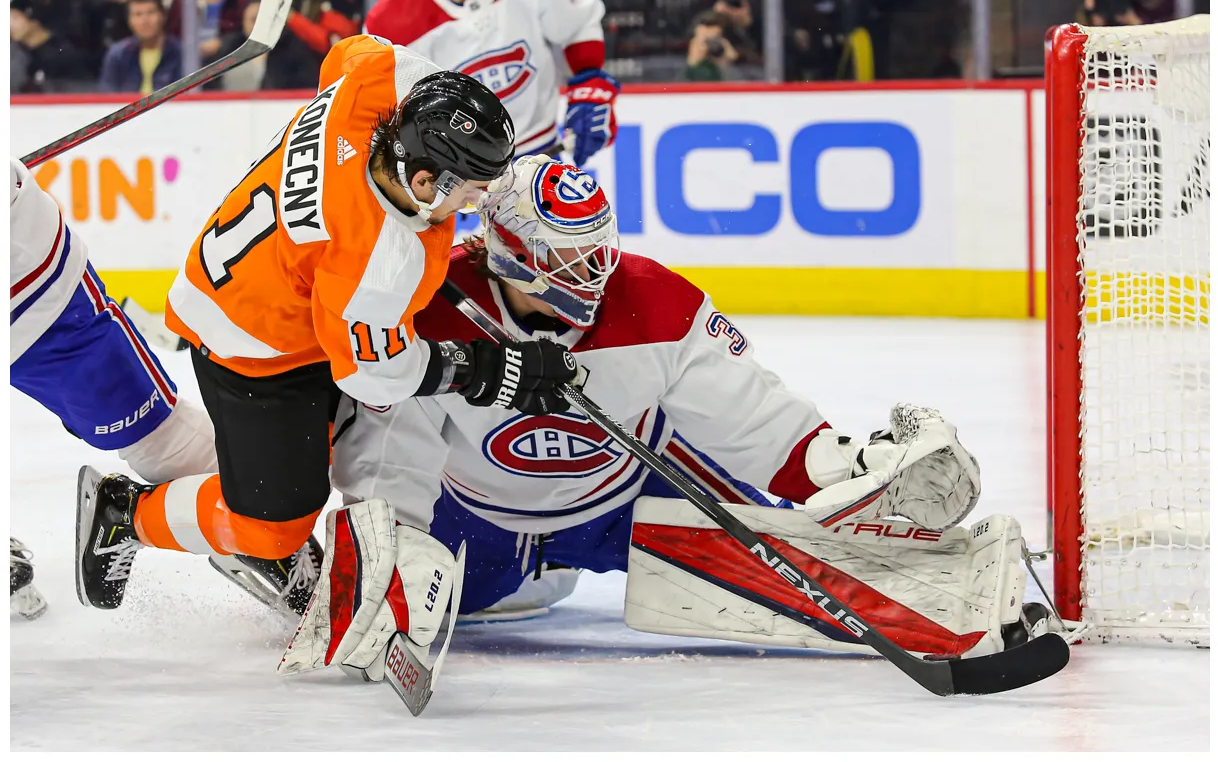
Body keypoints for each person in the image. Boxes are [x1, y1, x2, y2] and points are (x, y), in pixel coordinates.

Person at [274, 155, 1038, 683]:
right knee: (397, 598)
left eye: (596, 255)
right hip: (477, 523)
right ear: (507, 255)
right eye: (566, 265)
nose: (593, 278)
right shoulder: (431, 308)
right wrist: (390, 550)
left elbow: (753, 416)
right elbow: (390, 443)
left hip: (627, 502)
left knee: (798, 576)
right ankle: (291, 567)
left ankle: (950, 579)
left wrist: (831, 462)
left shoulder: (655, 302)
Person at [74, 34, 581, 619]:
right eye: (468, 191)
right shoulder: (376, 261)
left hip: (268, 278)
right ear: (423, 183)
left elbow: (347, 52)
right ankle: (125, 512)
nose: (477, 203)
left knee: (333, 433)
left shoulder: (379, 87)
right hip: (255, 346)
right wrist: (490, 369)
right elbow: (380, 379)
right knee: (274, 527)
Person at [10, 155, 219, 619]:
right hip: (28, 295)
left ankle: (269, 539)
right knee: (175, 448)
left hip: (27, 295)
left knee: (169, 445)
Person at [364, 0, 619, 167]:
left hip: (541, 159)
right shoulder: (389, 24)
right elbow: (378, 115)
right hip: (451, 181)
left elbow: (577, 27)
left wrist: (589, 90)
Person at [261, 0, 361, 90]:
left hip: (328, 82)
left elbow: (333, 45)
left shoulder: (339, 1)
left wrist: (293, 19)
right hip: (290, 80)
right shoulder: (297, 0)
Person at [98, 0, 183, 95]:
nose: (144, 20)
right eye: (138, 14)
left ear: (163, 16)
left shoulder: (181, 53)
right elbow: (107, 97)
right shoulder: (117, 54)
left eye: (150, 13)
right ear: (129, 20)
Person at [10, 0, 91, 94]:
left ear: (34, 19)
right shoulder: (15, 53)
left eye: (14, 18)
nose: (9, 25)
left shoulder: (65, 50)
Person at [685, 10, 740, 82]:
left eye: (715, 39)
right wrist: (693, 60)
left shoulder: (741, 71)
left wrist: (729, 60)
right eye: (706, 40)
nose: (710, 45)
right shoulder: (672, 66)